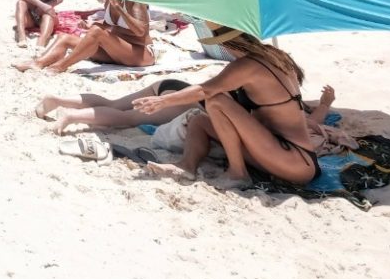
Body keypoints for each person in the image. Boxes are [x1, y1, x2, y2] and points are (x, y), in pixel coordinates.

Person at [136, 27, 322, 186]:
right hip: (285, 153)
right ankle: (187, 166)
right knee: (199, 121)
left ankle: (238, 173)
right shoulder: (275, 56)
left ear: (224, 43)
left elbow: (205, 90)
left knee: (216, 100)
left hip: (293, 159)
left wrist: (163, 101)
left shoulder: (247, 65)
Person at [14, 0, 152, 73]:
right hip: (115, 51)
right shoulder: (110, 1)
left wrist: (119, 9)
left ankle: (61, 66)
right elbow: (111, 25)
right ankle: (38, 63)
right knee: (64, 38)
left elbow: (141, 31)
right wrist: (90, 26)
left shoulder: (136, 2)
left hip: (139, 53)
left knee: (97, 31)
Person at [35, 78, 196, 135]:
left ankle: (57, 100)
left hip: (175, 85)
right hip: (184, 100)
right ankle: (72, 117)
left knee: (113, 104)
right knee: (128, 118)